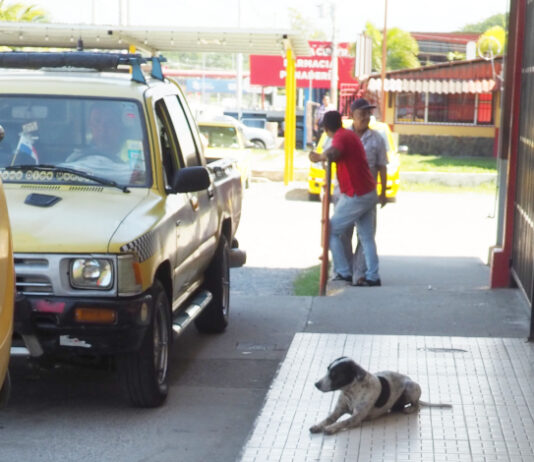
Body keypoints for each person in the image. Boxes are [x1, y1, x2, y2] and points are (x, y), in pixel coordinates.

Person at [309, 110, 381, 286]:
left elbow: (334, 151)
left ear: (325, 128)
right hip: (368, 191)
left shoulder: (341, 137)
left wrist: (318, 156)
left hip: (356, 193)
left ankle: (343, 271)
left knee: (330, 230)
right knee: (366, 237)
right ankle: (373, 276)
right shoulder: (349, 135)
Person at [350, 98, 388, 286]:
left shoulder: (377, 139)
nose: (366, 117)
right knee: (341, 234)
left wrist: (383, 192)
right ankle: (345, 271)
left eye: (368, 113)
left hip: (367, 195)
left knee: (366, 236)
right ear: (352, 116)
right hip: (345, 195)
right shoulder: (343, 136)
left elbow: (382, 166)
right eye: (362, 114)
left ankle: (362, 274)